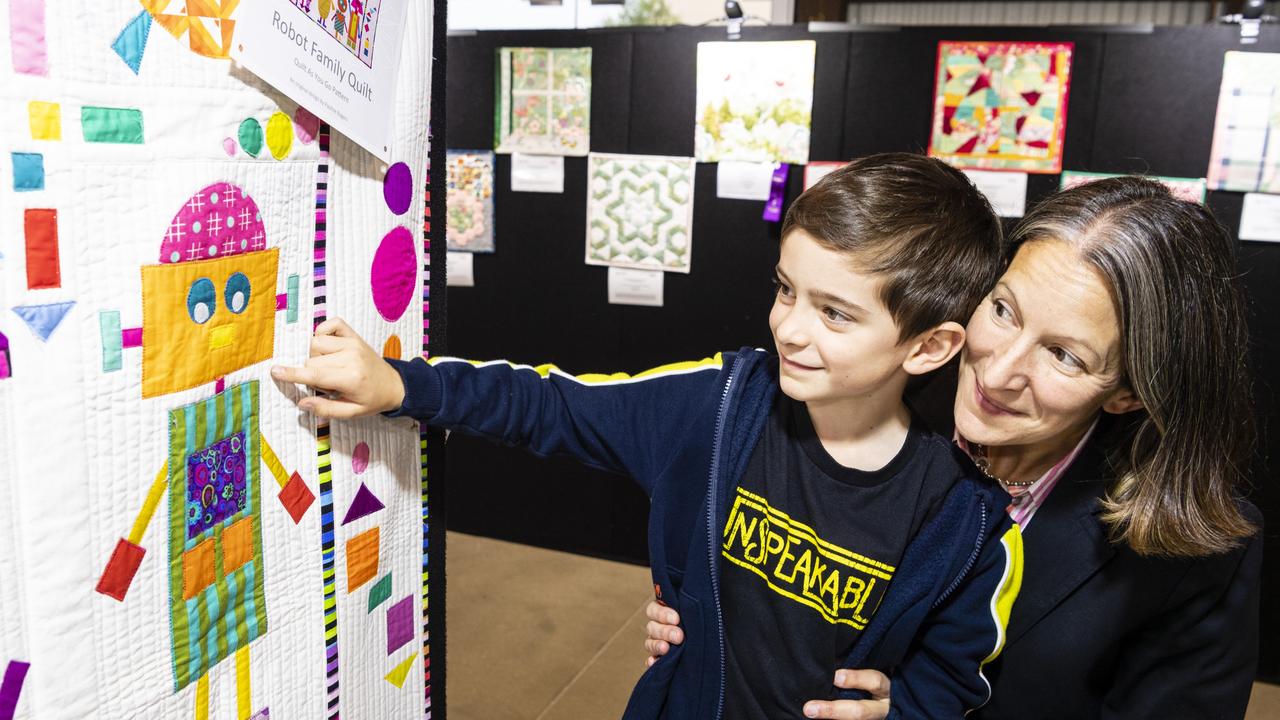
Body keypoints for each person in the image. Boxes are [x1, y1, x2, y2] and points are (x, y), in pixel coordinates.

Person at [271, 153, 1025, 718]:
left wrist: (904, 710)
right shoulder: (720, 404)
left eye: (835, 313)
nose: (789, 328)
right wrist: (404, 386)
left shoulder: (966, 521)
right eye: (786, 290)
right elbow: (553, 406)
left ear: (928, 346)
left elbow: (957, 677)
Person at [643, 176, 1265, 720]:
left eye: (1065, 355)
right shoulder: (875, 399)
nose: (996, 375)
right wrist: (699, 600)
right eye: (1003, 310)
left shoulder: (1195, 557)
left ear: (1128, 392)